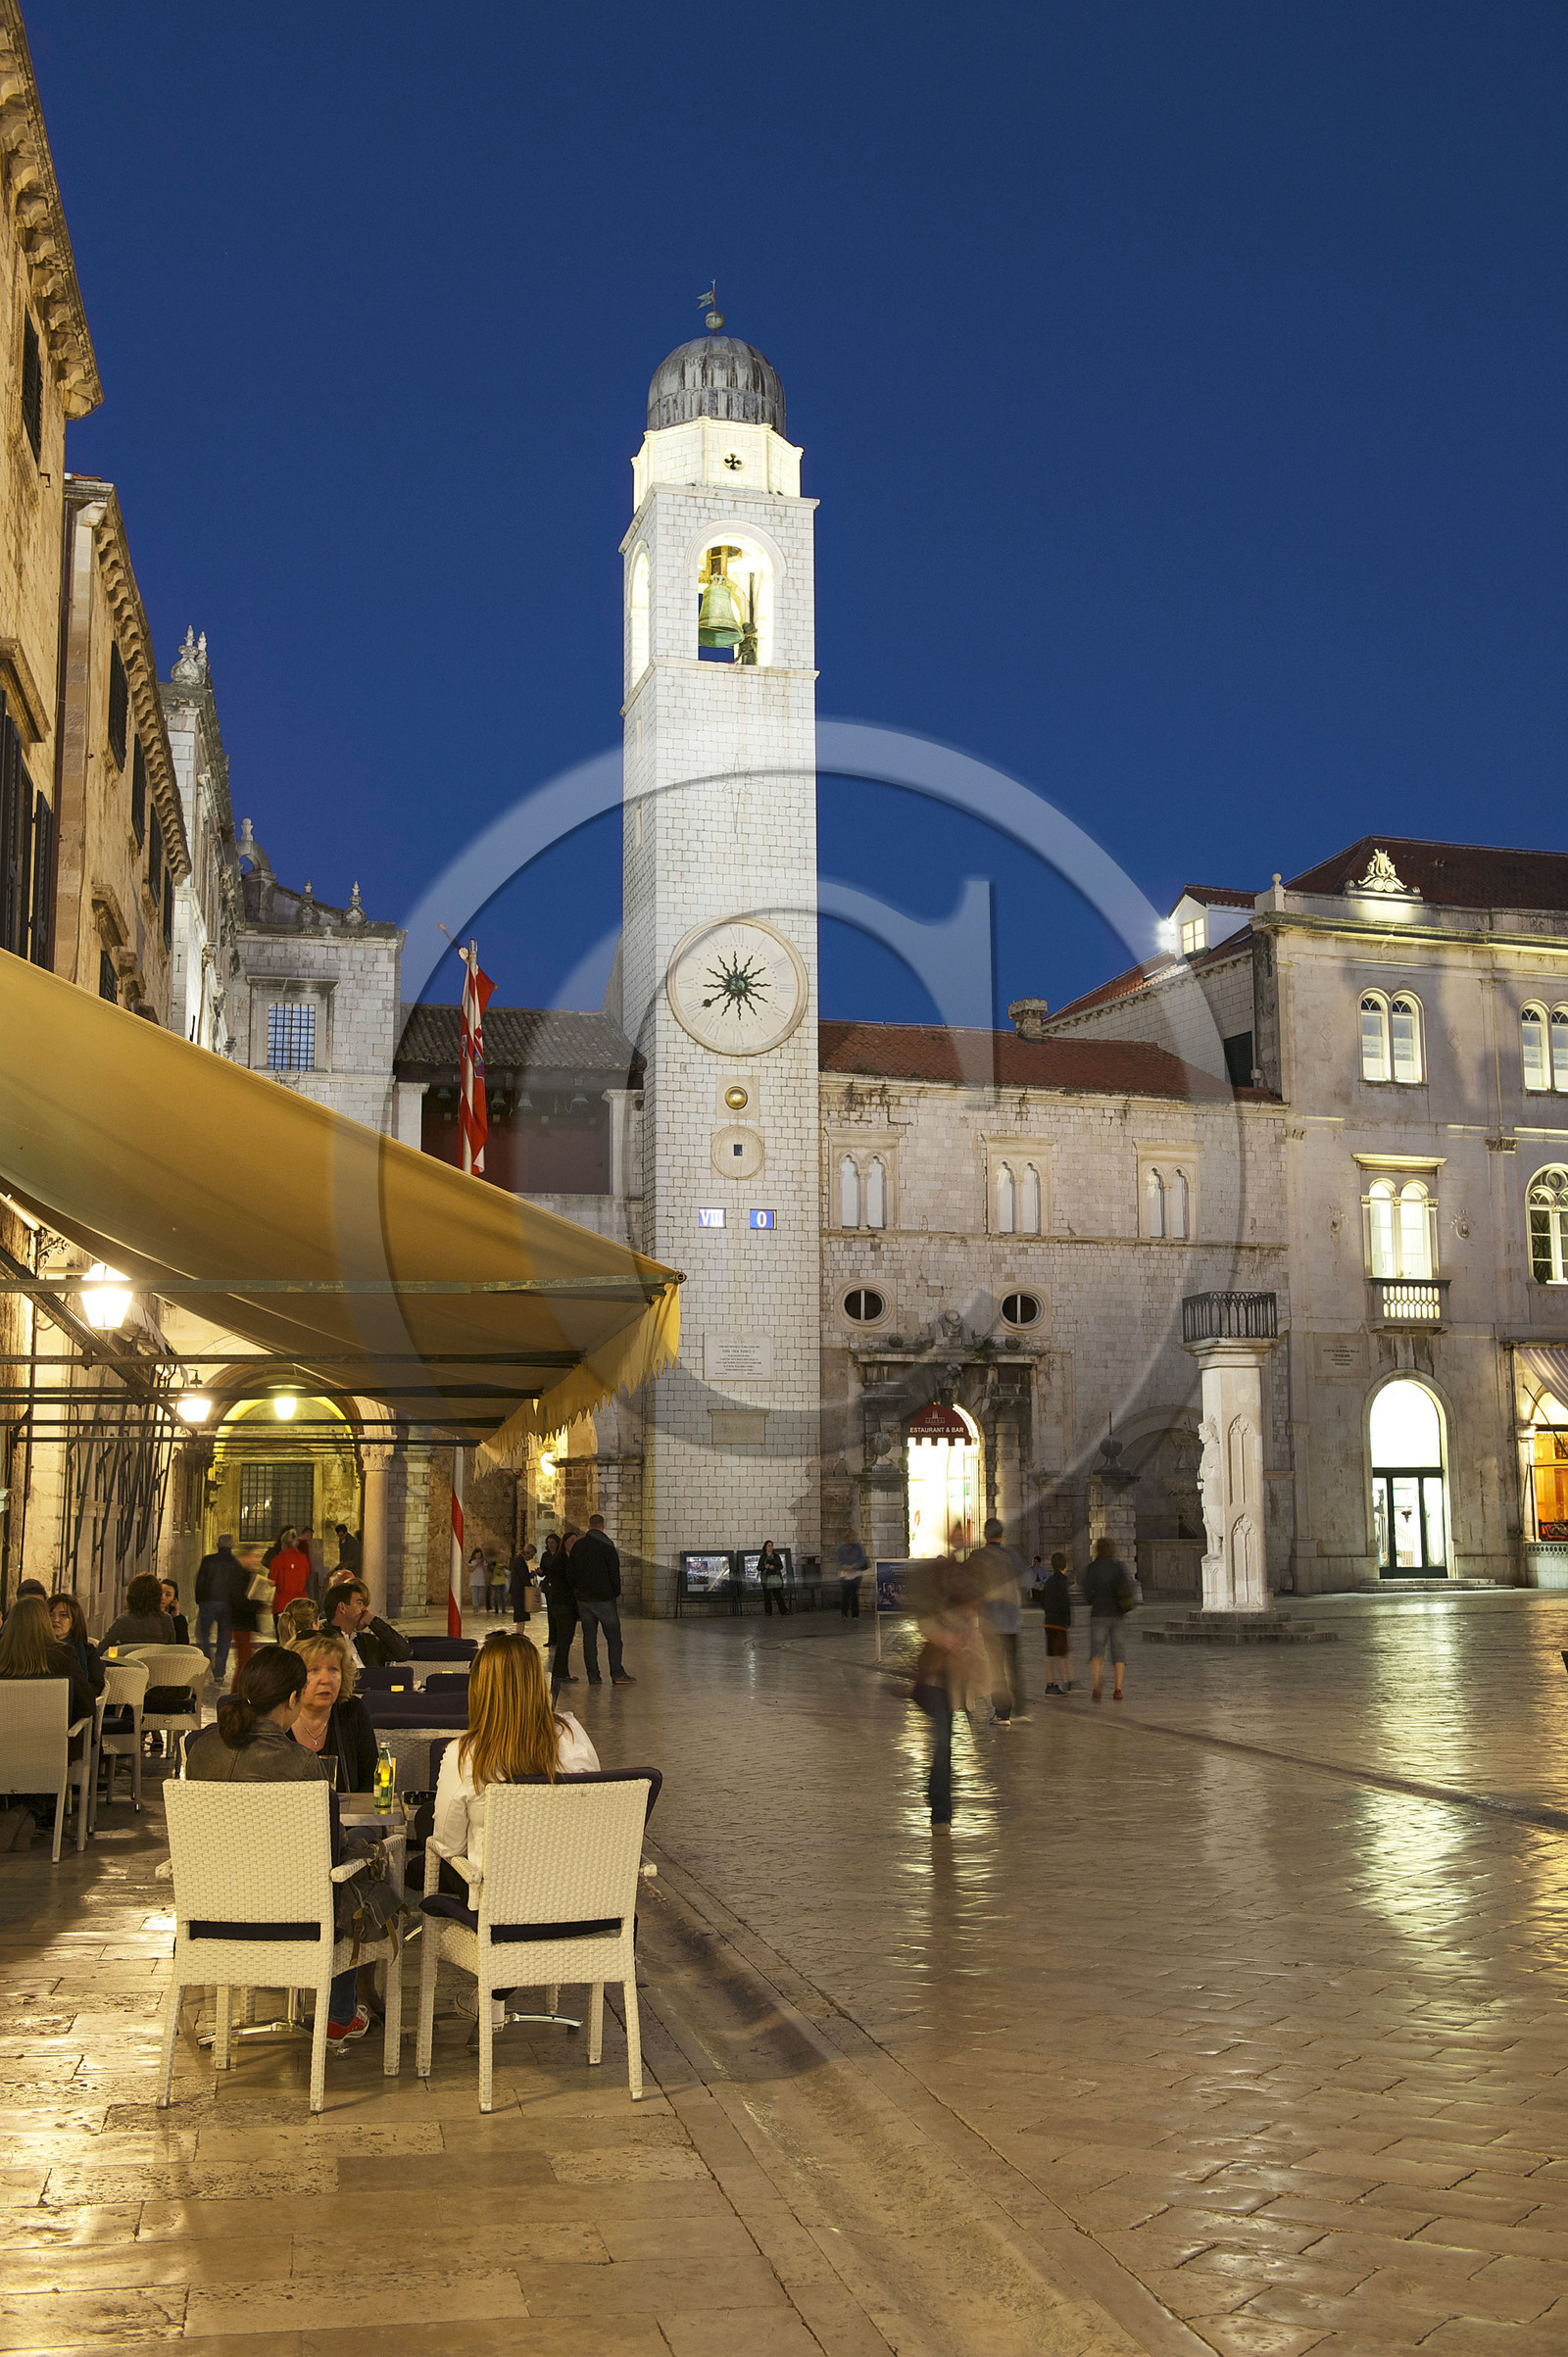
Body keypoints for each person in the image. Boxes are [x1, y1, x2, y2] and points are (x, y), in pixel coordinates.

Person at [183, 1645, 369, 2051]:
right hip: (292, 1916)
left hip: (213, 1912)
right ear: (292, 1698)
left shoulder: (201, 1751)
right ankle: (340, 2014)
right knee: (355, 1878)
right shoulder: (301, 1764)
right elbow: (328, 1851)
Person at [432, 1629, 599, 2025]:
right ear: (537, 1682)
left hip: (504, 1909)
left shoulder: (465, 1755)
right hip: (579, 1902)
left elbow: (447, 1845)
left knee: (436, 1845)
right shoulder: (572, 1736)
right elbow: (593, 1815)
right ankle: (497, 1990)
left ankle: (492, 1989)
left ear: (480, 1688)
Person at [908, 1557, 987, 1834]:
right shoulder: (937, 1607)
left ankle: (941, 1807)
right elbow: (926, 1625)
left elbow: (974, 1646)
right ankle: (940, 1813)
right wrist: (947, 1639)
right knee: (943, 1744)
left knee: (946, 1746)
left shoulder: (965, 1609)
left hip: (953, 1686)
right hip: (933, 1684)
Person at [286, 1630, 379, 1792]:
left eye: (333, 1669)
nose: (326, 1680)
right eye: (313, 1670)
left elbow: (370, 1784)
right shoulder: (277, 1716)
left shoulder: (353, 1711)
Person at [0, 1592, 94, 1726]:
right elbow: (87, 1706)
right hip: (52, 1736)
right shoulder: (62, 1655)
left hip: (5, 1736)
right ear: (44, 1622)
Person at [969, 1518, 1028, 1724]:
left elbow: (970, 1585)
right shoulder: (1012, 1556)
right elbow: (1027, 1580)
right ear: (1002, 1535)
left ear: (985, 1535)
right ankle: (1021, 1710)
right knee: (1014, 1666)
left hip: (990, 1622)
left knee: (996, 1668)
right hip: (1011, 1621)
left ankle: (1002, 1713)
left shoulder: (977, 1556)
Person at [566, 1514, 635, 1687]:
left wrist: (577, 1590)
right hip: (604, 1598)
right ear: (603, 1526)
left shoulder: (579, 1546)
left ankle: (593, 1676)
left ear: (589, 1526)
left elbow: (571, 1572)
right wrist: (615, 1592)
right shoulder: (607, 1545)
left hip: (584, 1599)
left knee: (589, 1638)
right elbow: (614, 1572)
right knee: (614, 1638)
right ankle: (617, 1673)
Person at [1083, 1536, 1137, 1704]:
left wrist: (1095, 1600)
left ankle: (1097, 1683)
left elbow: (1087, 1593)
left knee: (1097, 1650)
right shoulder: (1118, 1566)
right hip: (1117, 1614)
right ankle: (1118, 1689)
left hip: (1099, 1613)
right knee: (1118, 1652)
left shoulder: (1091, 1568)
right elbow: (1127, 1588)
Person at [320, 1577, 412, 1667]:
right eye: (359, 1603)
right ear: (342, 1607)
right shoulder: (323, 1641)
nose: (364, 1609)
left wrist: (373, 1621)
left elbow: (404, 1653)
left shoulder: (366, 1642)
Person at [194, 1534, 244, 1684]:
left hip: (208, 1602)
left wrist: (199, 1600)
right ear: (232, 1546)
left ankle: (207, 1663)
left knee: (203, 1634)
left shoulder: (208, 1560)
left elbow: (200, 1582)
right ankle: (219, 1672)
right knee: (224, 1639)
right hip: (227, 1606)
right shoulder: (235, 1563)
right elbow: (239, 1587)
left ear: (217, 1545)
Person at [48, 1592, 105, 1702]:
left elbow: (96, 1685)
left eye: (63, 1615)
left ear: (74, 1621)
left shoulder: (87, 1651)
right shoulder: (37, 1648)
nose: (55, 1619)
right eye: (51, 1614)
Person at [542, 1531, 578, 1690]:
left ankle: (560, 1671)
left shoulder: (572, 1559)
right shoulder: (561, 1560)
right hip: (562, 1604)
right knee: (564, 1638)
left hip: (569, 1604)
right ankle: (560, 1672)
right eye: (571, 1541)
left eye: (576, 1541)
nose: (574, 1543)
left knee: (566, 1639)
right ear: (565, 1543)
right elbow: (563, 1582)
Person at [103, 1574, 177, 1650]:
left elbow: (102, 1648)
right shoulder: (166, 1620)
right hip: (157, 1658)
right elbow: (171, 1650)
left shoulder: (122, 1621)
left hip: (129, 1658)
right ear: (158, 1596)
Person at [229, 1543, 270, 1673]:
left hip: (243, 1624)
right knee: (244, 1664)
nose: (258, 1560)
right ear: (246, 1556)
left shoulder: (244, 1573)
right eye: (256, 1556)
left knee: (244, 1661)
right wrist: (259, 1605)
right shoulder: (237, 1574)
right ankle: (241, 1686)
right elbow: (239, 1601)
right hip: (240, 1623)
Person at [1039, 1550, 1074, 1694]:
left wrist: (1048, 1611)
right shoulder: (1063, 1583)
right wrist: (1068, 1622)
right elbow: (1065, 1604)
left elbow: (1043, 1601)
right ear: (1065, 1565)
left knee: (1051, 1654)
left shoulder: (1049, 1582)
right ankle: (1065, 1681)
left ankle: (1051, 1683)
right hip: (1059, 1623)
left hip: (1049, 1621)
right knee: (1062, 1653)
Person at [270, 1531, 312, 1617]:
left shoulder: (277, 1560)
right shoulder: (303, 1559)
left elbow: (272, 1581)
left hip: (282, 1604)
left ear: (283, 1544)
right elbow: (307, 1574)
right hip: (300, 1603)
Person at [508, 1540, 536, 1625]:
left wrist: (530, 1575)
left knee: (521, 1616)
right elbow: (523, 1577)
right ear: (527, 1553)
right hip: (519, 1592)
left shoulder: (519, 1560)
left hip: (518, 1591)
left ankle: (520, 1630)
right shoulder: (520, 1562)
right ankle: (519, 1631)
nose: (532, 1558)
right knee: (520, 1616)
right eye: (532, 1555)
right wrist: (532, 1588)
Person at [838, 1535, 866, 1619]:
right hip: (845, 1574)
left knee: (854, 1594)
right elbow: (839, 1560)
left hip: (856, 1573)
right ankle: (844, 1614)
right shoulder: (842, 1548)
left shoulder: (858, 1548)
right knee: (845, 1594)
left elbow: (862, 1559)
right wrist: (845, 1566)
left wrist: (854, 1566)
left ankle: (855, 1615)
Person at [759, 1540, 787, 1616]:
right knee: (767, 1596)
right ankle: (768, 1611)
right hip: (766, 1579)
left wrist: (773, 1567)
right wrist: (765, 1567)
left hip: (774, 1578)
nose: (770, 1547)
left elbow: (780, 1566)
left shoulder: (776, 1556)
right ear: (765, 1547)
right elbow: (759, 1567)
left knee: (778, 1595)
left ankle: (783, 1610)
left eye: (771, 1546)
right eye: (769, 1546)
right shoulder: (763, 1557)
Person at [159, 1581, 190, 1646]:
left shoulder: (179, 1619)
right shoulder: (149, 1616)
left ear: (174, 1599)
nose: (162, 1597)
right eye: (159, 1593)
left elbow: (183, 1644)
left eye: (168, 1595)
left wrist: (176, 1617)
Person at [467, 1545, 488, 1615]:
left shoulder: (484, 1561)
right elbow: (469, 1570)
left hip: (481, 1580)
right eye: (477, 1554)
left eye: (480, 1554)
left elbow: (486, 1569)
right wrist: (476, 1565)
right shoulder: (471, 1561)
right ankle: (475, 1608)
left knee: (479, 1596)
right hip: (474, 1581)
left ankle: (477, 1606)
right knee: (474, 1595)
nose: (479, 1556)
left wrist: (482, 1564)